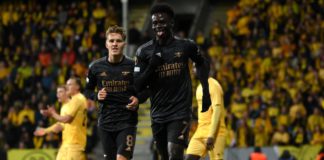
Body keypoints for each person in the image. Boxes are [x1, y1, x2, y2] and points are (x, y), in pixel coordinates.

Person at [134, 3, 211, 160]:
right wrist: (151, 66)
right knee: (165, 156)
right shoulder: (144, 52)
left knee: (174, 154)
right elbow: (137, 85)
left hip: (180, 111)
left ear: (172, 23)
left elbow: (202, 63)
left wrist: (205, 89)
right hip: (158, 114)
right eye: (155, 23)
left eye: (162, 22)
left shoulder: (186, 46)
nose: (158, 26)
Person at [85, 25, 145, 160]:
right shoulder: (95, 67)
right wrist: (96, 96)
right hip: (105, 123)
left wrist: (138, 99)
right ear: (106, 44)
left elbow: (147, 89)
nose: (115, 44)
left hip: (127, 122)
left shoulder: (134, 66)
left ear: (124, 43)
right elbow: (87, 90)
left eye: (118, 41)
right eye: (111, 41)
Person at [34, 77, 88, 160]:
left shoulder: (76, 100)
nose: (57, 94)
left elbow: (66, 119)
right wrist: (45, 130)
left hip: (75, 144)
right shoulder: (65, 107)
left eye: (60, 92)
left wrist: (53, 114)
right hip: (66, 144)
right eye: (57, 92)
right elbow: (61, 125)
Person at [185, 75, 227, 160]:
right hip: (200, 131)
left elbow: (217, 111)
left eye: (195, 66)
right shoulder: (199, 88)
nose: (193, 70)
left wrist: (211, 135)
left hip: (216, 132)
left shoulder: (214, 85)